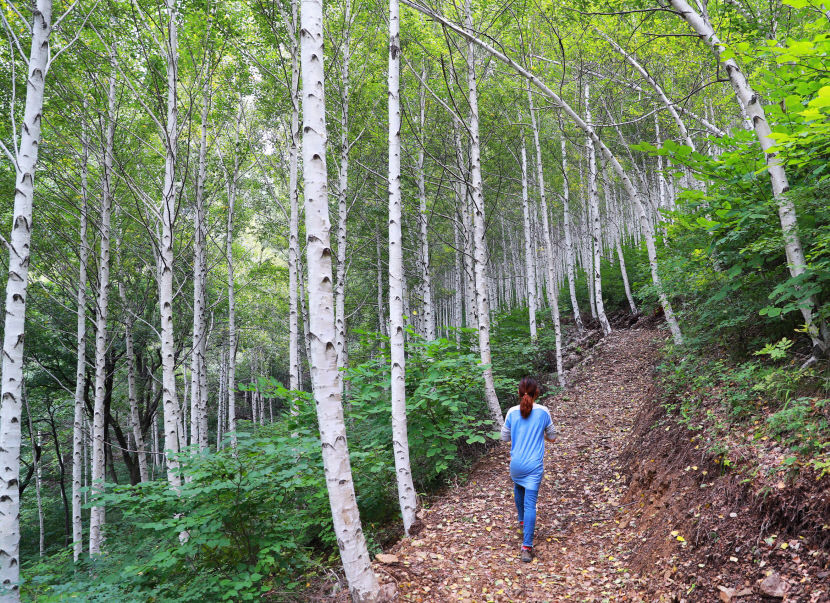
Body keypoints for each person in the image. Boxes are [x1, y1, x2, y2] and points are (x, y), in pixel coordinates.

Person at [500, 376, 556, 562]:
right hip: (534, 465)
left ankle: (522, 521)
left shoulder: (511, 412)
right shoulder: (544, 411)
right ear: (536, 392)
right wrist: (543, 436)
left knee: (518, 486)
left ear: (519, 392)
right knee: (530, 504)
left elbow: (504, 438)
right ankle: (526, 547)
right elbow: (553, 436)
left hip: (516, 464)